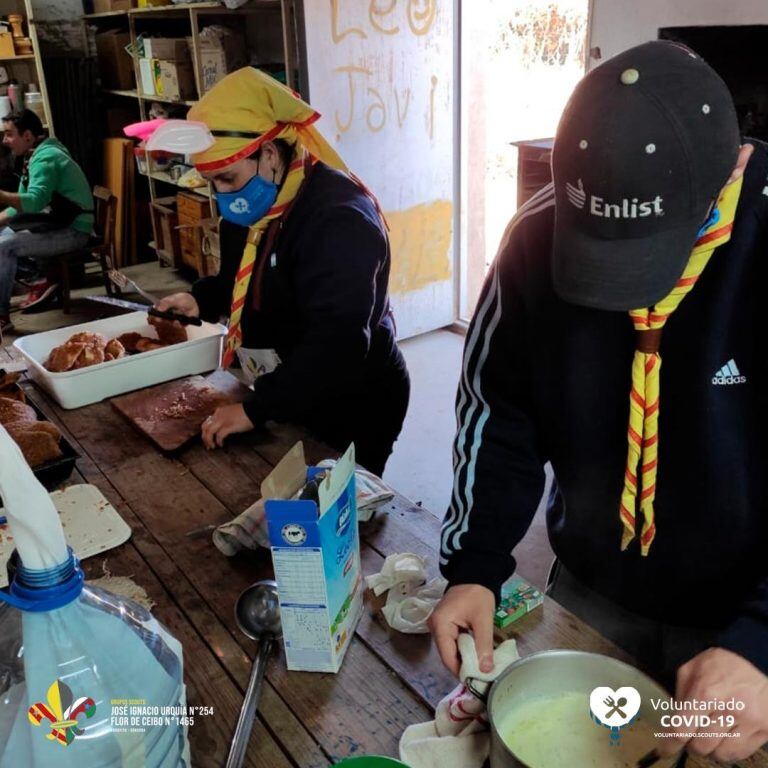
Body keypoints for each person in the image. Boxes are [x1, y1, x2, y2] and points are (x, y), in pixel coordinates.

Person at [429, 41, 768, 763]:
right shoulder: (534, 240)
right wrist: (476, 562)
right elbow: (498, 412)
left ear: (733, 167)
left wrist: (763, 642)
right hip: (594, 585)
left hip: (744, 613)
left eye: (648, 253)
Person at [144, 68, 409, 476]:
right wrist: (202, 298)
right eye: (212, 182)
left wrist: (258, 407)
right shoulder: (251, 201)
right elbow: (242, 281)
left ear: (269, 152)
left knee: (338, 510)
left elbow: (338, 344)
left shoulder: (339, 220)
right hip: (289, 382)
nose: (223, 196)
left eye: (227, 178)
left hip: (353, 397)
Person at [0, 110, 93, 333]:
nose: (5, 140)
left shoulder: (46, 158)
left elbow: (33, 201)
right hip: (58, 222)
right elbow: (21, 204)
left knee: (4, 246)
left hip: (74, 231)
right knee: (3, 236)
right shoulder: (35, 155)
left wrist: (1, 196)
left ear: (28, 136)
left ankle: (2, 316)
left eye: (9, 134)